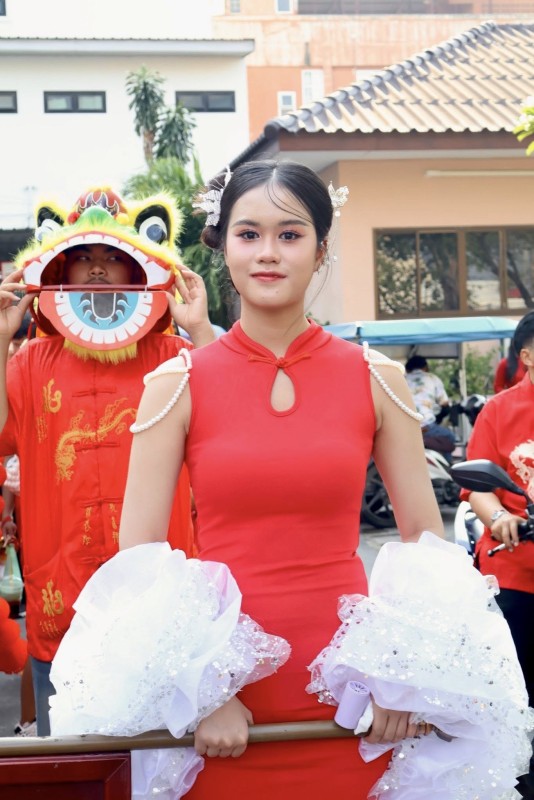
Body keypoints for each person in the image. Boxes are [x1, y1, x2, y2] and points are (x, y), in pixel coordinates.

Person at [115, 160, 445, 798]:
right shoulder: (175, 383)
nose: (268, 252)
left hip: (357, 700)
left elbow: (425, 541)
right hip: (224, 709)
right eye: (249, 234)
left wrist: (402, 675)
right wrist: (203, 690)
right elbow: (141, 554)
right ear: (223, 247)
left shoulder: (378, 378)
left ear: (321, 250)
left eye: (290, 235)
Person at [0, 186, 215, 735]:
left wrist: (201, 330)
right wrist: (0, 340)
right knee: (70, 760)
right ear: (60, 272)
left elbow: (230, 431)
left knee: (165, 759)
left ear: (138, 271)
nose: (97, 269)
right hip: (62, 599)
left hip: (160, 605)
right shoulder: (29, 363)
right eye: (83, 257)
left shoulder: (177, 357)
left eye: (113, 257)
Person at [461, 310, 534, 799]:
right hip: (515, 567)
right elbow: (476, 485)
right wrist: (499, 517)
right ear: (527, 356)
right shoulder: (500, 410)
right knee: (517, 695)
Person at [405, 354, 456, 460]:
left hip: (405, 427)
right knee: (449, 437)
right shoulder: (432, 378)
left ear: (408, 368)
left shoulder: (401, 379)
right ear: (425, 367)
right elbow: (445, 406)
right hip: (427, 426)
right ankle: (447, 467)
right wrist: (437, 419)